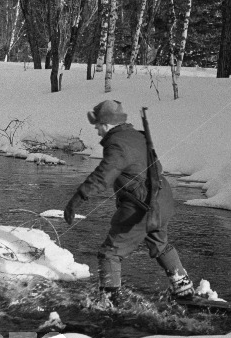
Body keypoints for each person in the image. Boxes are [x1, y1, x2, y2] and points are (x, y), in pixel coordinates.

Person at [64, 99, 194, 305]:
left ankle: (110, 303)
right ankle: (184, 288)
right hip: (162, 200)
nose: (97, 131)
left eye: (97, 125)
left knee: (109, 253)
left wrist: (77, 199)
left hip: (141, 207)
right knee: (160, 244)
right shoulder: (136, 136)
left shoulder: (117, 144)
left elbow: (103, 176)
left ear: (105, 124)